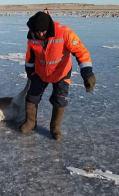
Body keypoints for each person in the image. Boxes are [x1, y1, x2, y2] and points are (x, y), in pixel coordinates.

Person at [22, 11, 96, 140]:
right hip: (40, 72)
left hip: (61, 72)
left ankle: (55, 129)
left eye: (43, 31)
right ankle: (30, 122)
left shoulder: (64, 33)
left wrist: (87, 73)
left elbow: (81, 51)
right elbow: (30, 54)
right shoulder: (32, 35)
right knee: (31, 97)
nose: (40, 34)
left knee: (60, 100)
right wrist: (29, 69)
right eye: (37, 32)